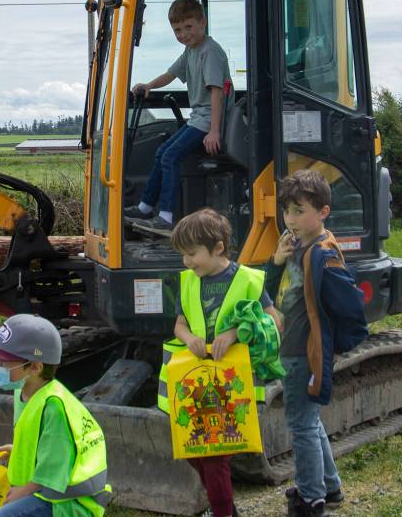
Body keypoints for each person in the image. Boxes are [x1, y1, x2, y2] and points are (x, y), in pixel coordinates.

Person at [157, 208, 281, 517]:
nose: (186, 261)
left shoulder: (248, 280)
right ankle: (223, 506)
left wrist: (237, 332)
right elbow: (180, 325)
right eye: (182, 255)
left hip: (229, 381)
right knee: (194, 450)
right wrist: (189, 340)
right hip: (195, 379)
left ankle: (223, 511)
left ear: (218, 248)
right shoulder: (188, 282)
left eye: (192, 254)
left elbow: (273, 320)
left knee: (214, 455)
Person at [263, 170, 369, 517]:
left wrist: (333, 345)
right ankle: (330, 487)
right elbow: (271, 291)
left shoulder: (323, 254)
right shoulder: (295, 244)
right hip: (289, 346)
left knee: (301, 425)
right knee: (310, 420)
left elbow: (351, 308)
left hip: (302, 352)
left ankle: (311, 500)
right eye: (286, 211)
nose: (290, 219)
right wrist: (276, 261)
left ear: (323, 212)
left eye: (298, 211)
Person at [0, 314, 111, 517]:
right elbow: (43, 442)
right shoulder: (24, 392)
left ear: (35, 367)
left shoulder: (54, 405)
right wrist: (18, 450)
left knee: (6, 515)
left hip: (69, 501)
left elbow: (54, 467)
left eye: (4, 363)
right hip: (51, 492)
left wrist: (21, 493)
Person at [124, 0, 231, 234]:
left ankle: (166, 216)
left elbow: (217, 93)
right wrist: (149, 85)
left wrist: (214, 130)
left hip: (208, 120)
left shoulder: (210, 51)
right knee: (162, 151)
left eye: (188, 27)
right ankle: (144, 207)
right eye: (177, 30)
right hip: (199, 118)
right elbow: (171, 74)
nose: (183, 34)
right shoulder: (191, 52)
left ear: (202, 22)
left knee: (170, 156)